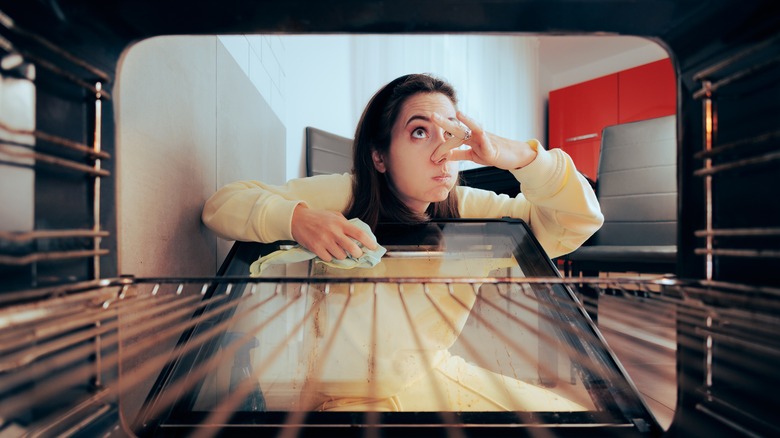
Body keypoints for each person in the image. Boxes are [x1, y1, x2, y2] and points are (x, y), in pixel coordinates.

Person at [202, 73, 603, 263]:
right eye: (418, 132)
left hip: (433, 377)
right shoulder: (347, 195)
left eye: (450, 132)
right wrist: (296, 220)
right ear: (380, 156)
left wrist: (517, 156)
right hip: (344, 397)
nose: (442, 150)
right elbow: (222, 206)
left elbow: (576, 223)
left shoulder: (469, 208)